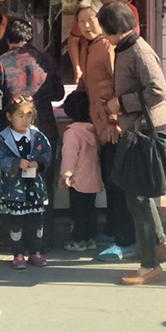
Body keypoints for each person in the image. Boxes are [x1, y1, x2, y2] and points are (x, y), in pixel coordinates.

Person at [98, 2, 166, 286]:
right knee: (138, 196)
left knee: (139, 197)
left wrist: (121, 103)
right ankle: (158, 245)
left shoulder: (139, 50)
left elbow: (158, 90)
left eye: (105, 30)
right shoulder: (125, 48)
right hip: (137, 130)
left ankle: (150, 263)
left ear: (115, 28)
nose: (104, 36)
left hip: (148, 131)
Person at [0, 19, 64, 247]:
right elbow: (58, 93)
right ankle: (43, 241)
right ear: (30, 37)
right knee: (41, 187)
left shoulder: (1, 62)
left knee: (16, 187)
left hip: (14, 136)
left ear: (8, 38)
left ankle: (17, 243)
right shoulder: (45, 60)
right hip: (44, 132)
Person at [74, 0, 136, 261]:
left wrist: (113, 121)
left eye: (91, 19)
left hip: (113, 126)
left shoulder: (107, 48)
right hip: (101, 123)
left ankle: (125, 239)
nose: (87, 25)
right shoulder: (90, 47)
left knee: (118, 183)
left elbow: (117, 85)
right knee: (111, 181)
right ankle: (113, 229)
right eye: (81, 21)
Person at [0, 96, 53, 269]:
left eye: (29, 115)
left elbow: (47, 153)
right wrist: (15, 163)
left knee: (36, 222)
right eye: (20, 115)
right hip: (14, 189)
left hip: (35, 188)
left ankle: (35, 252)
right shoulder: (3, 138)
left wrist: (40, 162)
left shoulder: (38, 135)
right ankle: (18, 254)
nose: (25, 120)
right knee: (16, 223)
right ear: (10, 117)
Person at [69, 0, 140, 84]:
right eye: (121, 0)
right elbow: (73, 39)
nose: (124, 4)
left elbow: (133, 41)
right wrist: (77, 68)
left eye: (127, 0)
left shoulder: (130, 11)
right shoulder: (87, 9)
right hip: (91, 65)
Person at [60, 92, 101, 252]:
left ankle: (78, 240)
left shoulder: (72, 133)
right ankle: (91, 239)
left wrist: (66, 175)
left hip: (78, 180)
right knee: (90, 209)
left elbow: (69, 155)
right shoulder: (93, 130)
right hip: (93, 178)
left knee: (78, 212)